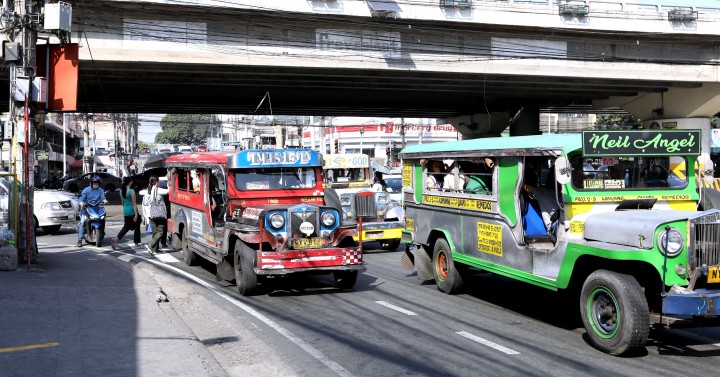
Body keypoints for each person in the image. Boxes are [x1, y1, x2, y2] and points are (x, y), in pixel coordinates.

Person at [111, 177, 142, 250]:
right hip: (132, 211)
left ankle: (116, 239)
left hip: (126, 211)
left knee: (126, 227)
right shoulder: (131, 191)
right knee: (137, 227)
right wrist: (136, 214)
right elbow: (134, 204)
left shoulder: (121, 191)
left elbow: (123, 203)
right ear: (130, 182)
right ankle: (136, 243)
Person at [77, 175, 108, 247]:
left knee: (103, 218)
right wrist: (81, 202)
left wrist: (105, 200)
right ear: (91, 183)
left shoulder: (100, 190)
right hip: (86, 208)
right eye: (94, 182)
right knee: (82, 222)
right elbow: (82, 198)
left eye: (97, 183)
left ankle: (102, 233)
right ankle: (80, 240)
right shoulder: (86, 190)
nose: (96, 184)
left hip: (97, 208)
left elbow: (103, 197)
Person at [521, 168, 547, 238]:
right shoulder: (541, 194)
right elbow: (529, 189)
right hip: (539, 237)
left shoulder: (534, 199)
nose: (537, 182)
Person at [147, 176, 169, 253]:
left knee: (155, 232)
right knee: (160, 232)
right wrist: (169, 183)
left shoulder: (149, 189)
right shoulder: (158, 189)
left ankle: (155, 249)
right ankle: (151, 245)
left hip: (152, 214)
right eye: (158, 181)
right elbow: (168, 191)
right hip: (160, 214)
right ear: (156, 181)